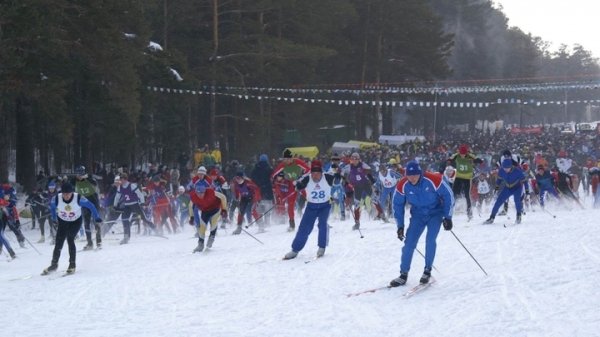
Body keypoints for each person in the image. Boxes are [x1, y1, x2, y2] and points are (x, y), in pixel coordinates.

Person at [390, 161, 454, 287]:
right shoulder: (403, 185)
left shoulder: (432, 179)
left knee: (430, 240)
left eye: (415, 175)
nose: (412, 178)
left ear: (420, 174)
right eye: (409, 175)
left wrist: (448, 217)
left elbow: (448, 195)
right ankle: (403, 274)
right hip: (418, 215)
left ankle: (427, 270)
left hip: (435, 213)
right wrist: (400, 226)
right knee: (409, 243)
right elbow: (397, 205)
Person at [42, 182, 102, 275]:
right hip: (63, 221)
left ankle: (72, 265)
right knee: (58, 242)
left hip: (75, 222)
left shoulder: (78, 198)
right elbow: (52, 208)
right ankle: (54, 265)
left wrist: (97, 217)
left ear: (72, 193)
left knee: (70, 239)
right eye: (64, 194)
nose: (66, 196)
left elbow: (91, 206)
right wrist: (54, 219)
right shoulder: (56, 198)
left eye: (68, 194)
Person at [283, 160, 335, 260]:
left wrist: (339, 178)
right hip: (311, 206)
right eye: (313, 173)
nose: (315, 176)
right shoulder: (307, 178)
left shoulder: (327, 177)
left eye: (317, 173)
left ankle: (321, 247)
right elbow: (298, 184)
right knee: (304, 227)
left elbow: (338, 180)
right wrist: (298, 186)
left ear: (321, 172)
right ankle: (295, 250)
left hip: (325, 205)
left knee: (322, 224)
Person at [271, 149, 310, 231]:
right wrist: (274, 181)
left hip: (301, 182)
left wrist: (301, 178)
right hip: (291, 185)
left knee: (308, 197)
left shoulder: (297, 162)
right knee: (290, 204)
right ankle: (292, 224)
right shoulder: (282, 165)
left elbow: (308, 170)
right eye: (285, 159)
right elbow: (273, 175)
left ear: (292, 158)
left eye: (289, 159)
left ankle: (312, 217)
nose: (287, 161)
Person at [113, 173, 157, 244]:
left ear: (125, 179)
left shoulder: (131, 185)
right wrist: (115, 205)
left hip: (135, 204)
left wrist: (142, 202)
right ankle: (126, 237)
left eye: (121, 179)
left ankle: (155, 229)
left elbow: (140, 194)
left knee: (144, 218)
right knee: (124, 219)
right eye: (120, 179)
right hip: (127, 206)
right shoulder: (120, 187)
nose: (120, 181)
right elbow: (117, 196)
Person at [484, 159, 528, 224]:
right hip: (507, 188)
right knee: (498, 201)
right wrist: (497, 187)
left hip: (517, 188)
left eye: (507, 168)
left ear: (511, 166)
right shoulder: (501, 170)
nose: (506, 170)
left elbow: (525, 181)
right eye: (504, 168)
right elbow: (499, 179)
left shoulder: (518, 171)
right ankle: (491, 217)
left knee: (517, 201)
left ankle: (518, 216)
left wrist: (527, 191)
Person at [70, 165, 102, 250]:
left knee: (96, 222)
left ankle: (99, 242)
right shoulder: (74, 180)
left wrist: (87, 178)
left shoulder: (89, 178)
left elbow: (95, 183)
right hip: (84, 202)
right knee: (86, 223)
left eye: (81, 174)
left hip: (94, 201)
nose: (79, 176)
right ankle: (89, 243)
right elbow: (69, 186)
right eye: (78, 174)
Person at [189, 184, 228, 252]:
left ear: (205, 191)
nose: (200, 195)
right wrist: (192, 217)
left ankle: (211, 237)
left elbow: (223, 197)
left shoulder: (211, 192)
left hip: (215, 209)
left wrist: (224, 209)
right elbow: (190, 206)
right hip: (205, 211)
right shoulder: (194, 196)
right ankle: (200, 244)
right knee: (202, 227)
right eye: (198, 193)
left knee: (214, 222)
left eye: (202, 192)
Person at [342, 152, 376, 230]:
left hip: (366, 184)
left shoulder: (363, 164)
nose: (354, 161)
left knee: (374, 199)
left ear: (358, 159)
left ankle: (381, 215)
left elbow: (369, 172)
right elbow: (343, 175)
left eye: (356, 159)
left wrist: (373, 182)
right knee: (357, 204)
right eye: (352, 159)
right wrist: (345, 182)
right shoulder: (348, 167)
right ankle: (357, 222)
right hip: (357, 187)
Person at [448, 144, 477, 220]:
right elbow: (450, 159)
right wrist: (449, 160)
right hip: (459, 177)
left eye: (464, 154)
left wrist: (477, 160)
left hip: (467, 178)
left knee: (467, 195)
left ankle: (469, 212)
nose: (462, 155)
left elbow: (476, 158)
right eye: (461, 154)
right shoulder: (457, 155)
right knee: (453, 193)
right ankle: (449, 210)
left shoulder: (469, 156)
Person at [251, 154, 274, 228]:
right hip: (268, 189)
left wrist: (258, 184)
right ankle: (267, 221)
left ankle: (261, 223)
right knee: (268, 205)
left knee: (260, 206)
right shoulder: (269, 168)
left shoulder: (256, 168)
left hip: (259, 189)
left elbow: (252, 177)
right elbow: (272, 177)